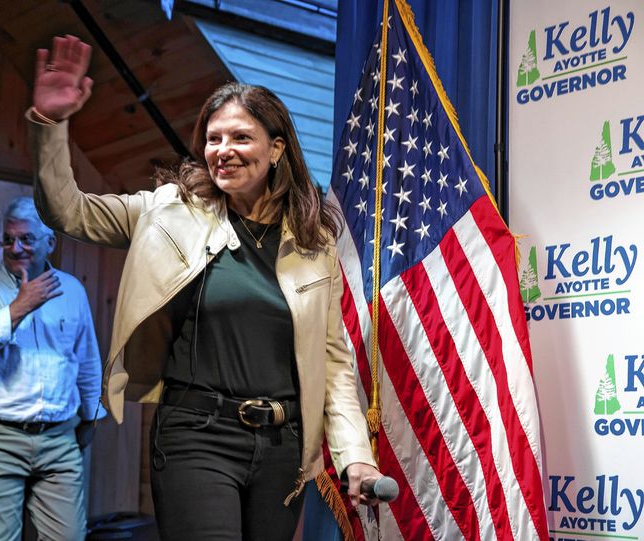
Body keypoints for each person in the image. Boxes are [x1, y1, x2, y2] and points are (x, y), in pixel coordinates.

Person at [28, 34, 384, 541]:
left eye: (240, 137)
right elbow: (66, 211)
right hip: (197, 436)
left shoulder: (312, 242)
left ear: (276, 148)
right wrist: (50, 124)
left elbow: (332, 363)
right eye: (213, 139)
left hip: (283, 448)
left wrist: (356, 460)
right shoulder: (166, 211)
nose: (223, 151)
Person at [0, 196, 106, 541]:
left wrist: (91, 415)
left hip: (59, 439)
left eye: (26, 239)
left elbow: (87, 360)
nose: (15, 247)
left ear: (50, 242)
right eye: (8, 239)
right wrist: (17, 309)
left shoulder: (73, 291)